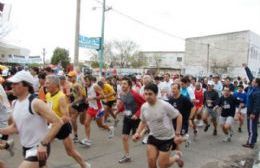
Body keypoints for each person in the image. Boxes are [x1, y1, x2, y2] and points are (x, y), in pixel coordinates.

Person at [0, 70, 62, 168]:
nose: (12, 86)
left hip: (39, 149)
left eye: (16, 83)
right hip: (26, 148)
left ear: (26, 85)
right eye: (12, 83)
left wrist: (43, 144)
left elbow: (58, 122)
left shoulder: (35, 103)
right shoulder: (15, 103)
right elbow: (15, 127)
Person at [132, 83, 184, 168]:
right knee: (151, 161)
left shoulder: (164, 105)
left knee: (163, 165)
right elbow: (143, 121)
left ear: (156, 94)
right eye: (145, 94)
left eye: (150, 94)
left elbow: (179, 116)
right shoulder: (144, 107)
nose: (147, 96)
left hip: (166, 138)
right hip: (153, 136)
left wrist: (177, 134)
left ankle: (176, 158)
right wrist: (137, 133)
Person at [45, 75, 90, 168]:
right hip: (53, 126)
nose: (45, 85)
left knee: (70, 151)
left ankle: (84, 165)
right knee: (42, 147)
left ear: (55, 84)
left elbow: (66, 117)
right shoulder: (48, 95)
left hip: (62, 127)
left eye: (48, 83)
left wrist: (54, 124)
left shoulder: (61, 97)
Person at [116, 77, 145, 163]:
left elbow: (144, 103)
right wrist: (118, 110)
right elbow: (124, 104)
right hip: (127, 118)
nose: (122, 85)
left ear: (129, 85)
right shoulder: (122, 94)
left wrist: (137, 114)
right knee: (124, 137)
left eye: (124, 84)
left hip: (136, 119)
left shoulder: (135, 94)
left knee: (135, 139)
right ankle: (127, 156)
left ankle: (145, 128)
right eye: (121, 84)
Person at [80, 76, 114, 146]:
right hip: (91, 108)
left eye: (87, 81)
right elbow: (87, 96)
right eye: (85, 81)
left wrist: (93, 98)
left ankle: (110, 129)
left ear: (91, 81)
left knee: (100, 125)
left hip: (98, 109)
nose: (85, 83)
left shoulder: (95, 86)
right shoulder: (86, 87)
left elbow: (103, 96)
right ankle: (88, 140)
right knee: (86, 123)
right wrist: (86, 100)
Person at [169, 83, 195, 147]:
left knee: (177, 139)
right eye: (172, 89)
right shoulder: (171, 99)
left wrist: (190, 119)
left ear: (179, 89)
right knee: (175, 138)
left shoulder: (184, 99)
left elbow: (193, 107)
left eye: (174, 89)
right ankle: (178, 152)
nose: (173, 90)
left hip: (183, 122)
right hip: (174, 122)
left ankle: (186, 138)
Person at [67, 71, 87, 143]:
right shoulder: (72, 84)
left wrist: (72, 103)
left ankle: (87, 137)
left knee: (83, 122)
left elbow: (81, 97)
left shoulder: (77, 85)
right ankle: (75, 136)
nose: (68, 78)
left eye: (70, 77)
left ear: (75, 77)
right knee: (73, 120)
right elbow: (75, 94)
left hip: (82, 104)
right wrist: (69, 96)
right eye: (68, 77)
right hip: (76, 104)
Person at [243, 78, 260, 149]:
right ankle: (253, 140)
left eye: (253, 81)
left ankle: (250, 143)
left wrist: (253, 113)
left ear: (256, 83)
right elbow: (250, 76)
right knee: (253, 127)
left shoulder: (257, 92)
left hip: (252, 112)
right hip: (250, 111)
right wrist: (246, 68)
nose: (251, 82)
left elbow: (257, 104)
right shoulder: (252, 88)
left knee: (251, 128)